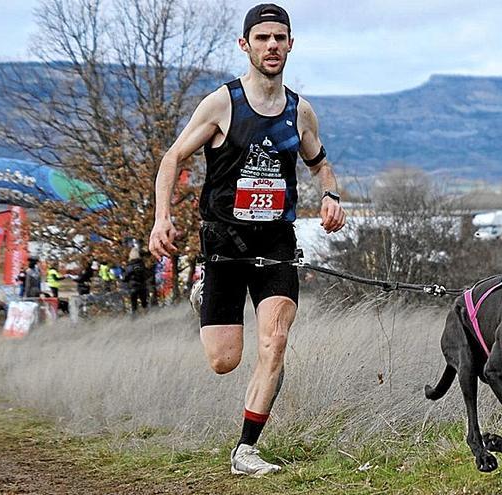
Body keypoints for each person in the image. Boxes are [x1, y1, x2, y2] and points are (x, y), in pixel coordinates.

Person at [149, 3, 345, 477]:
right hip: (224, 244)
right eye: (263, 38)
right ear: (246, 45)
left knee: (274, 341)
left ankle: (246, 449)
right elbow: (172, 159)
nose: (272, 46)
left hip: (276, 242)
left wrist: (331, 194)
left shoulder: (300, 110)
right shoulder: (222, 104)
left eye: (280, 38)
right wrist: (161, 220)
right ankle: (204, 295)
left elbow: (319, 163)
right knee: (223, 361)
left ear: (291, 45)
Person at [124, 248, 149, 314]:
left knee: (134, 303)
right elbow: (145, 273)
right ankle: (147, 316)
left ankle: (134, 318)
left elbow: (126, 276)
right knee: (144, 302)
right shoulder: (142, 263)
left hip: (133, 286)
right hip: (142, 285)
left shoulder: (129, 265)